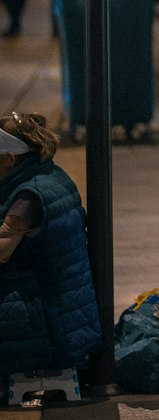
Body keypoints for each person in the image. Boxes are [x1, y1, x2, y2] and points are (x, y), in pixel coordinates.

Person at [0, 110, 101, 389]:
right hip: (64, 315)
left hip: (44, 321)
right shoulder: (50, 176)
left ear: (9, 158)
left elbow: (2, 250)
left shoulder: (28, 198)